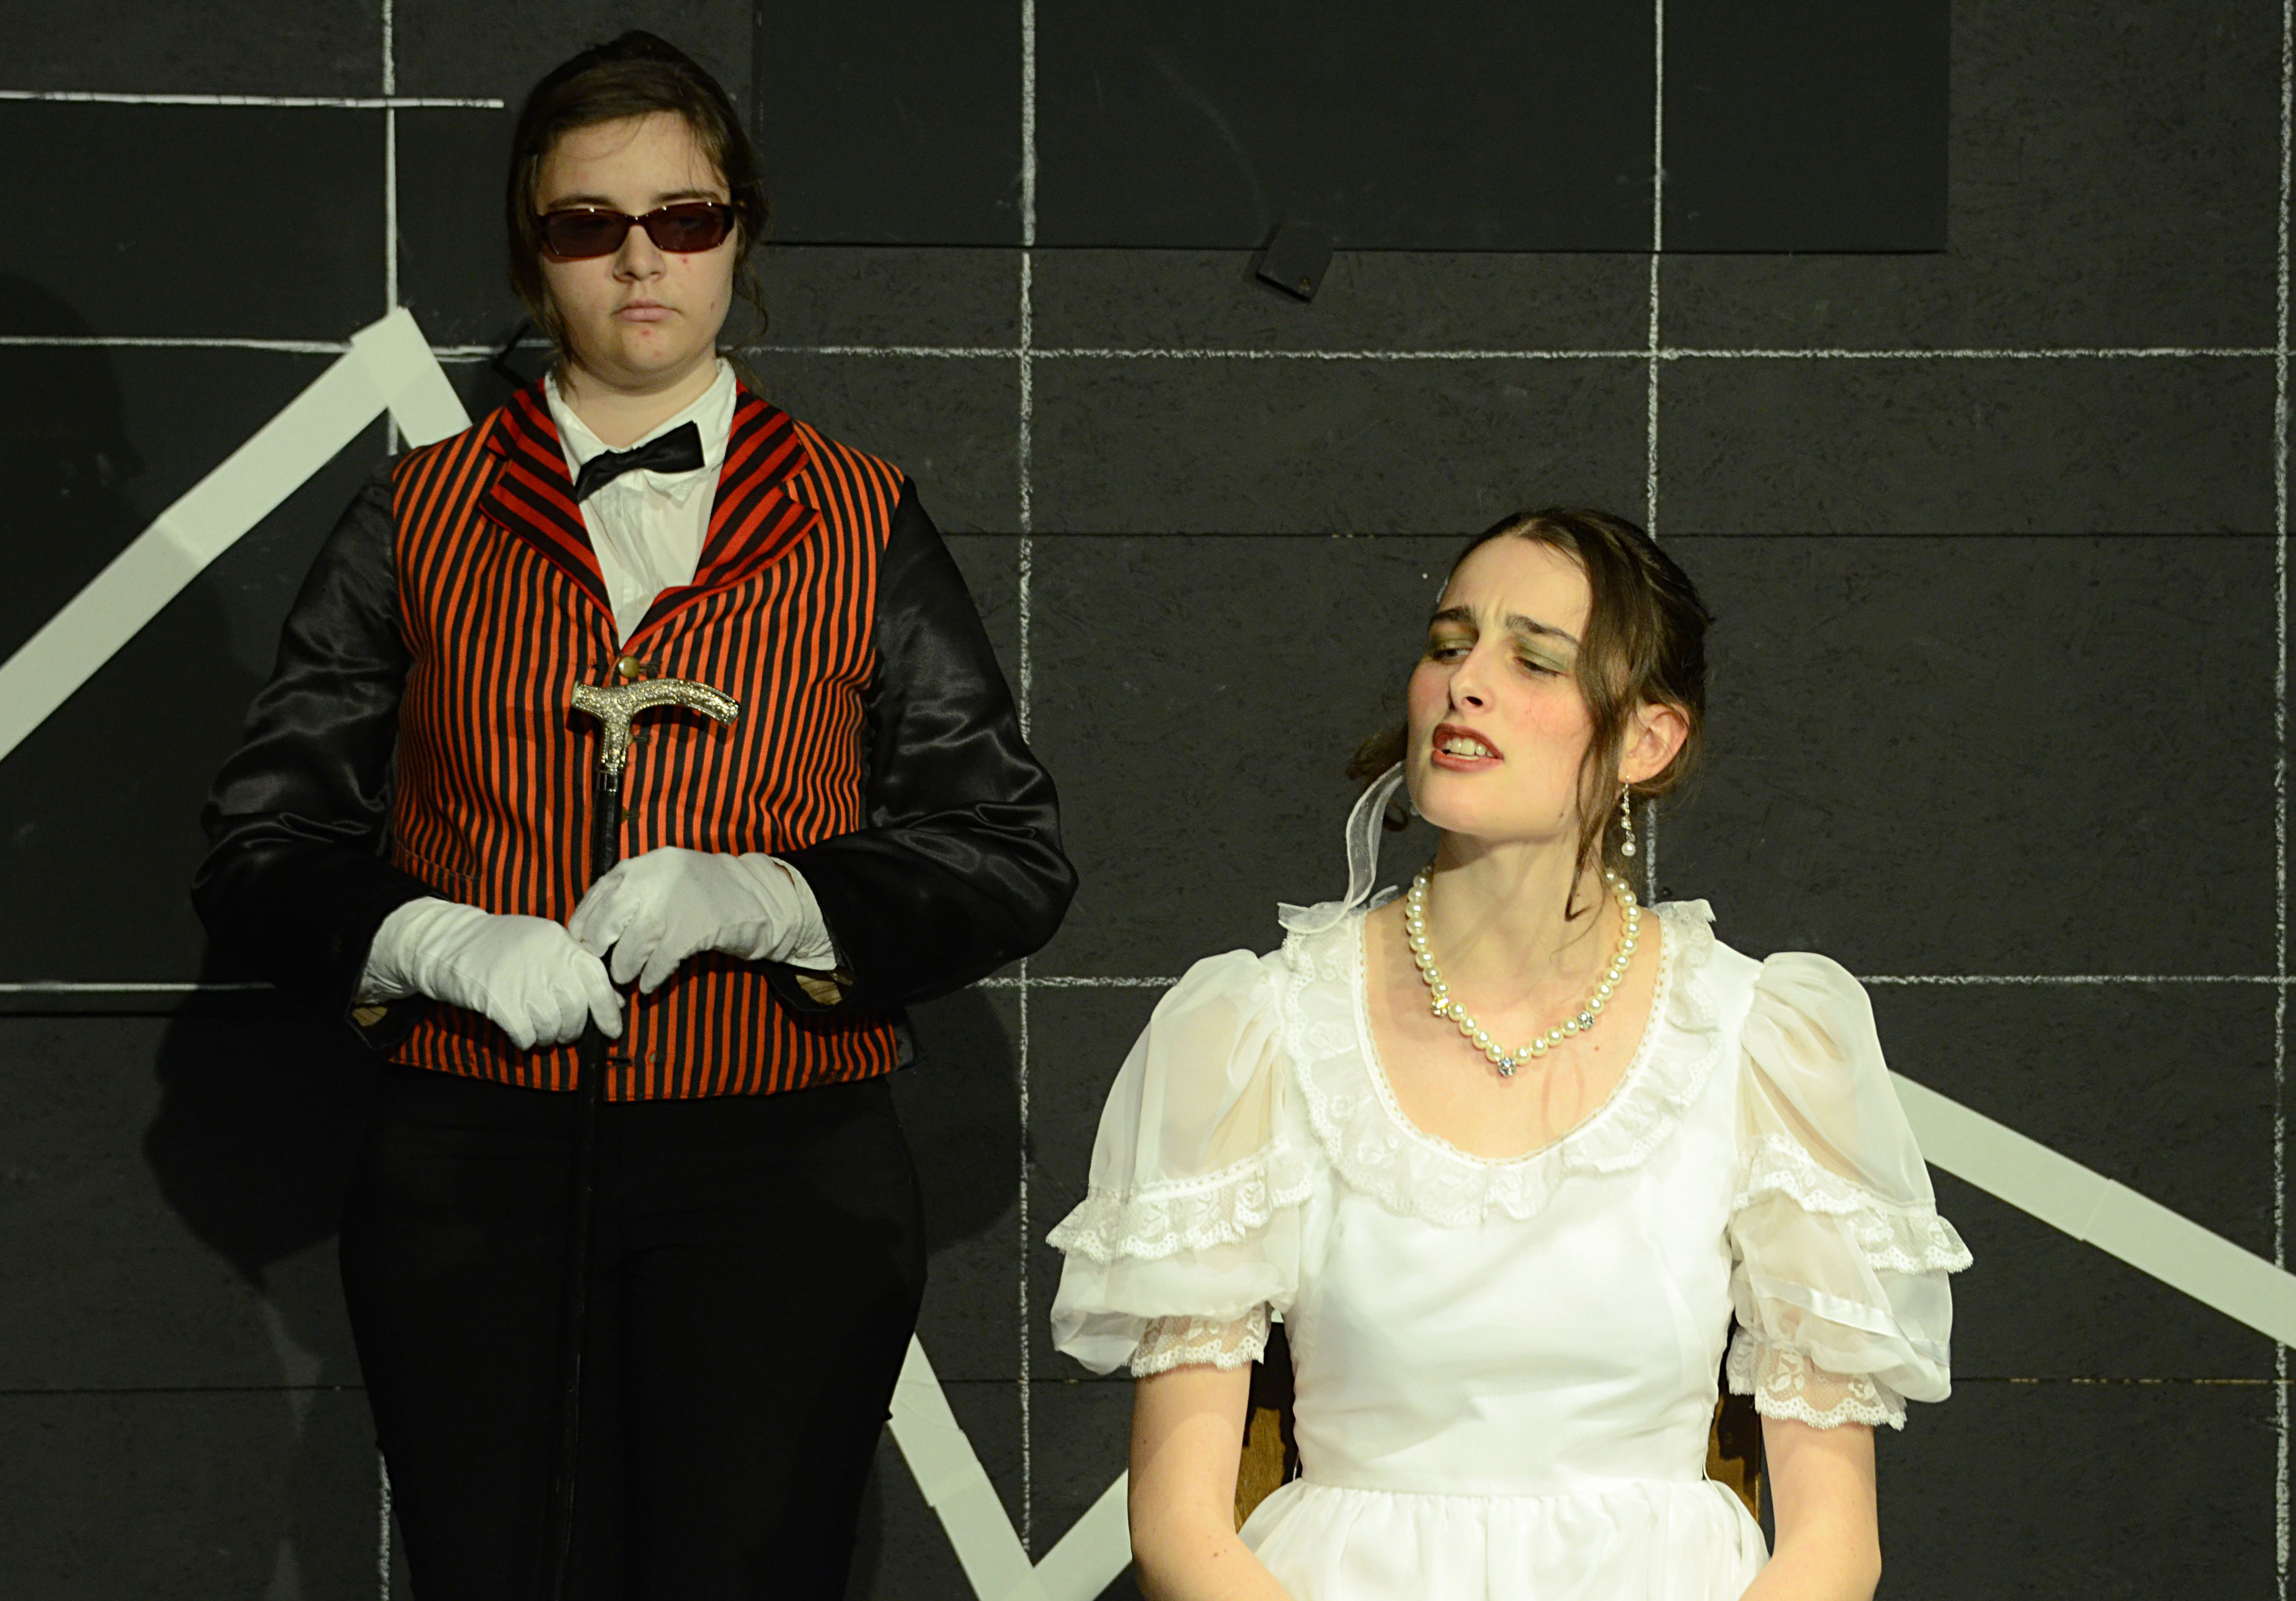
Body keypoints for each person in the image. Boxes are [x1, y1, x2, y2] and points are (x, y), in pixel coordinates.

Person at [193, 32, 1073, 1601]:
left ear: (743, 232)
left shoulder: (859, 514)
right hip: (471, 1166)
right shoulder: (416, 512)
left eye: (686, 216)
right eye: (588, 224)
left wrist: (772, 900)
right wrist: (432, 939)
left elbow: (1004, 849)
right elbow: (260, 847)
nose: (643, 258)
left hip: (784, 1168)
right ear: (533, 256)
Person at [1049, 509, 1966, 1600]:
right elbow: (1179, 1528)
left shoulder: (1762, 1040)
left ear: (1649, 741)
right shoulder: (1254, 1029)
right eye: (1449, 644)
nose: (1466, 684)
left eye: (1534, 660)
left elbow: (1833, 1547)